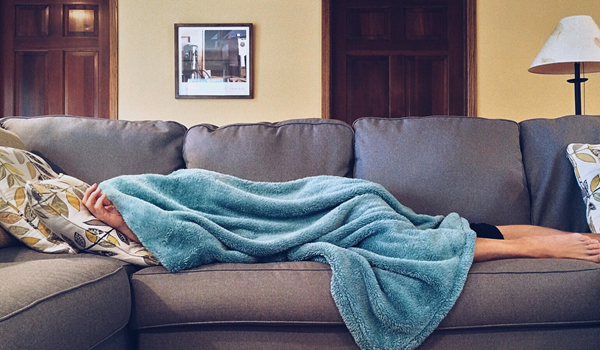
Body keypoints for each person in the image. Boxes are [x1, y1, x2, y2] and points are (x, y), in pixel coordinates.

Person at [82, 183, 600, 264]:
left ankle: (548, 247)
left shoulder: (152, 184)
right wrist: (128, 223)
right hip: (352, 206)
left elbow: (215, 199)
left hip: (348, 203)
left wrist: (130, 215)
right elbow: (201, 237)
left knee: (415, 240)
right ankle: (552, 245)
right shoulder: (142, 205)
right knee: (460, 231)